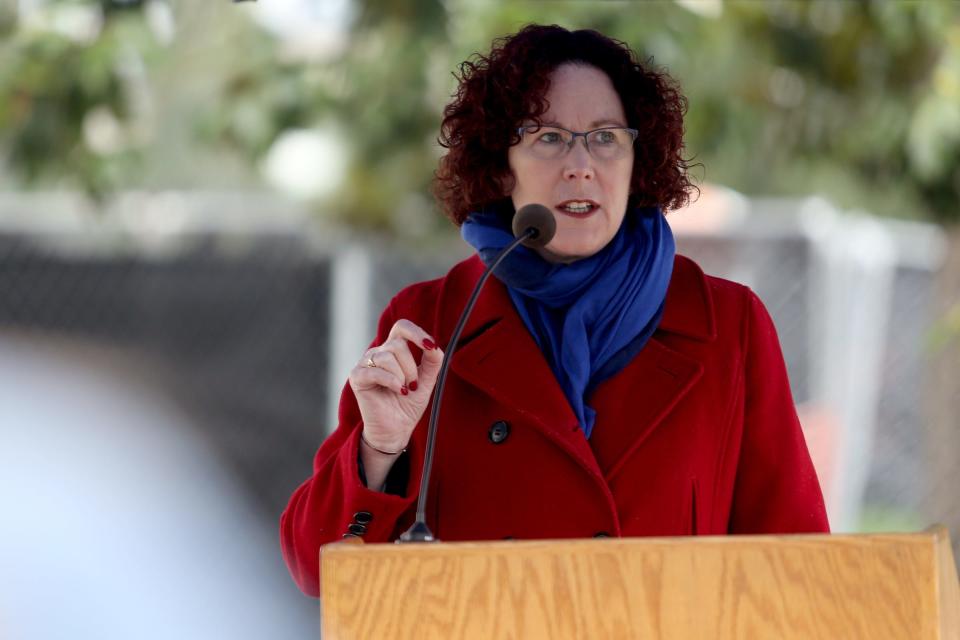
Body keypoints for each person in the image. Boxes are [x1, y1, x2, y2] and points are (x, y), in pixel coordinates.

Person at [280, 24, 829, 598]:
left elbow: (797, 567)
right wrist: (381, 450)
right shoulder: (433, 319)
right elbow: (316, 570)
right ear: (501, 163)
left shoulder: (726, 323)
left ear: (637, 160)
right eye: (548, 137)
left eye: (605, 137)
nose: (580, 164)